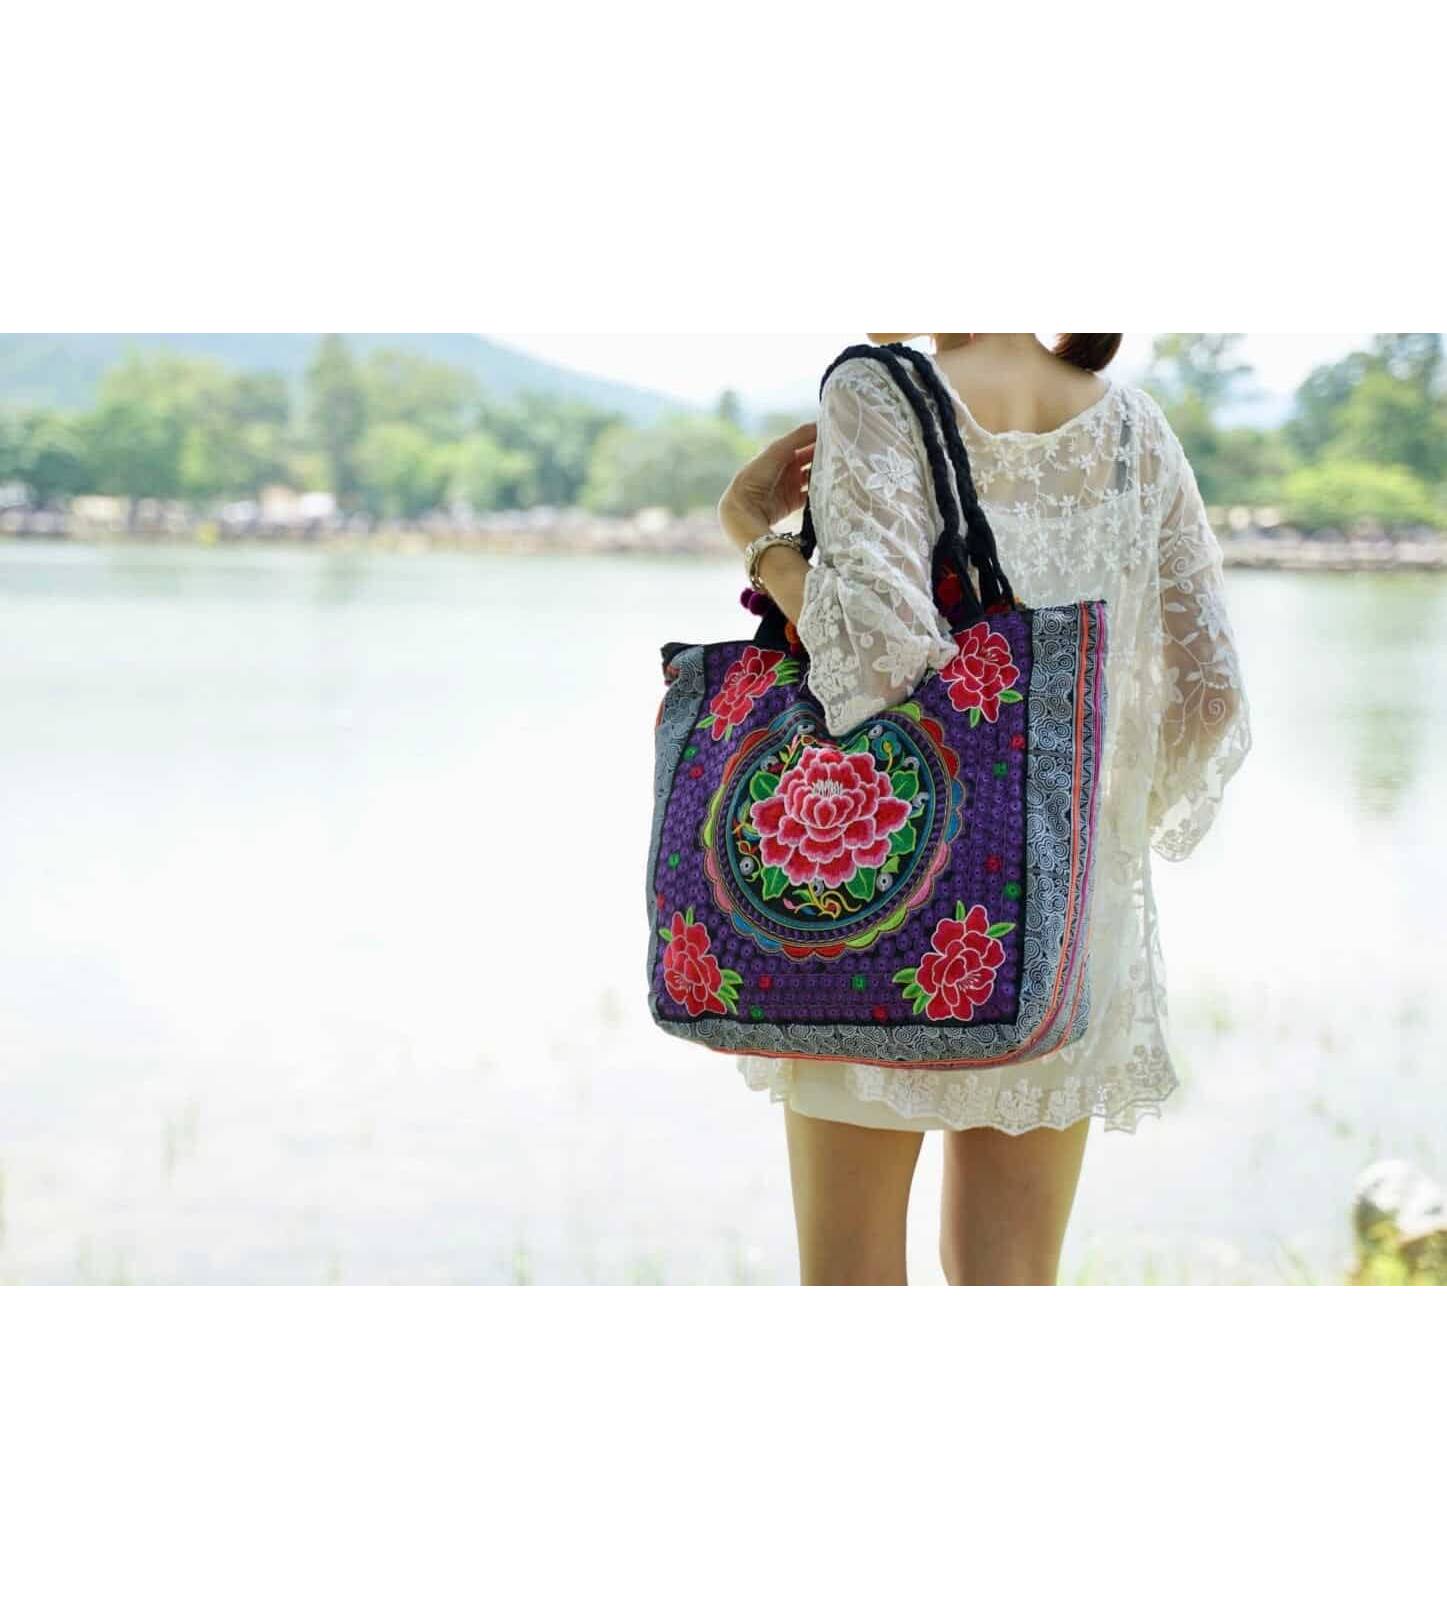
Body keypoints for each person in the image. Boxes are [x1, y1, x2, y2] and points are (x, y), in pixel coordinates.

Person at [715, 333, 1252, 1286]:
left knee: (850, 1286)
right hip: (1060, 936)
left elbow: (876, 660)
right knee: (1009, 1283)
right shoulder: (1134, 427)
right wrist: (1076, 838)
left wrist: (759, 538)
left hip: (874, 910)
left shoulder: (874, 391)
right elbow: (1209, 700)